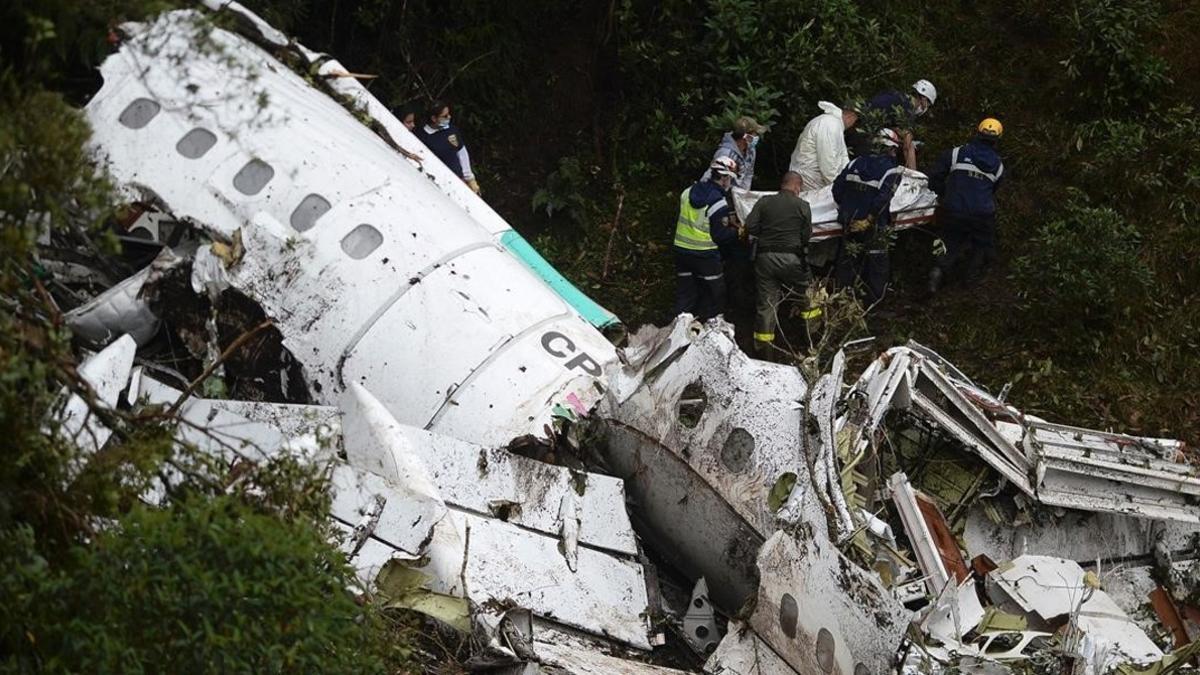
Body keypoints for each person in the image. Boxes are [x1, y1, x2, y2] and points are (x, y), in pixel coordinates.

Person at [744, 171, 820, 357]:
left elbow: (750, 226)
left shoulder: (764, 202)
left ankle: (764, 351)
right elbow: (806, 236)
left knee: (767, 305)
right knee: (810, 296)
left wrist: (767, 233)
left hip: (765, 259)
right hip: (792, 259)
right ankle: (812, 341)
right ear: (797, 186)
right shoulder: (803, 206)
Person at [927, 118, 1006, 293]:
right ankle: (971, 282)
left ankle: (938, 271)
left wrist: (944, 193)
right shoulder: (998, 166)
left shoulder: (956, 153)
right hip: (982, 214)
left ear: (978, 133)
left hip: (954, 208)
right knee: (982, 245)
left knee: (948, 242)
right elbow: (993, 189)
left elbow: (935, 176)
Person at [832, 129, 905, 305]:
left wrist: (848, 211)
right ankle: (873, 305)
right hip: (873, 226)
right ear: (891, 149)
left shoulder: (855, 163)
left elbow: (837, 190)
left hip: (850, 222)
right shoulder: (892, 170)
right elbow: (883, 199)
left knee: (848, 261)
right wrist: (869, 219)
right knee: (876, 265)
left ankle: (842, 301)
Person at [674, 157, 741, 321]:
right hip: (705, 255)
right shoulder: (718, 202)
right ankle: (710, 333)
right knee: (715, 295)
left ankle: (678, 332)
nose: (729, 183)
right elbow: (719, 236)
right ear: (724, 177)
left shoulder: (687, 192)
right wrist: (738, 233)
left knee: (686, 294)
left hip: (681, 251)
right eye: (730, 179)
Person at [860, 79, 937, 169]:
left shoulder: (895, 96)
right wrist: (914, 174)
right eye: (928, 104)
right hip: (863, 135)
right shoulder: (907, 109)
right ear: (924, 99)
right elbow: (907, 147)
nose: (925, 108)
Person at [788, 101, 859, 191]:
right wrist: (840, 187)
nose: (853, 125)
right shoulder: (830, 124)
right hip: (810, 182)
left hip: (814, 182)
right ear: (851, 116)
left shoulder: (832, 124)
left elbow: (842, 158)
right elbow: (828, 163)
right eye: (855, 121)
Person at [416, 100, 481, 194]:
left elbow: (461, 152)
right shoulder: (423, 136)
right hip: (441, 183)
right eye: (445, 116)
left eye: (449, 114)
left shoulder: (451, 129)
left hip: (460, 179)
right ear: (434, 118)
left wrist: (470, 179)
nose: (449, 117)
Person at [701, 116, 767, 190]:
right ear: (746, 136)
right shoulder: (725, 153)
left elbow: (749, 173)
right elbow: (714, 178)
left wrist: (744, 194)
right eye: (755, 134)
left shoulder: (751, 151)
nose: (757, 136)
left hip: (738, 194)